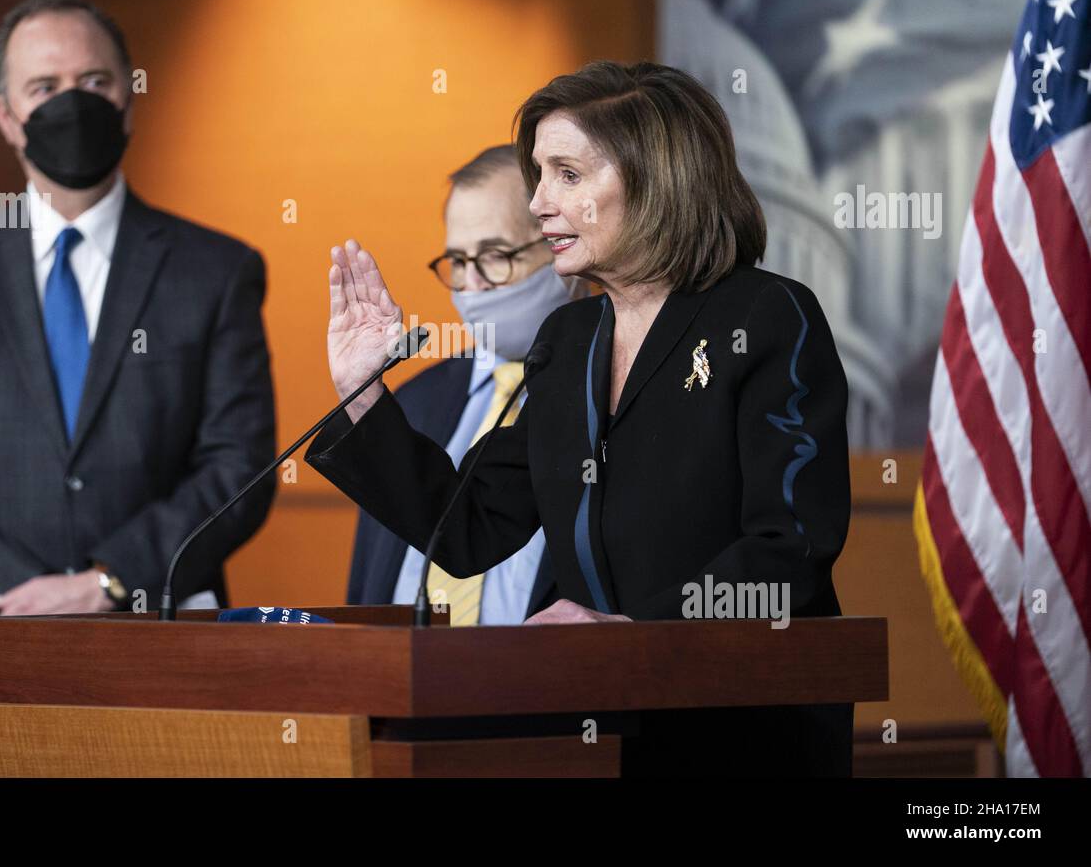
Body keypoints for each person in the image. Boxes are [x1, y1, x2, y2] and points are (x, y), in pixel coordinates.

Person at [306, 60, 854, 775]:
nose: (538, 203)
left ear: (656, 180)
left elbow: (791, 548)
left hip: (738, 734)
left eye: (567, 174)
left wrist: (639, 634)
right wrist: (363, 393)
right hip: (593, 733)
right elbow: (469, 526)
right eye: (539, 175)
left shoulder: (765, 316)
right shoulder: (569, 341)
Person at [0, 0, 276, 777]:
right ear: (4, 113)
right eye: (44, 89)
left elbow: (238, 467)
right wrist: (23, 592)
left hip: (159, 653)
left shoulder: (215, 272)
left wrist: (107, 582)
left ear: (129, 93)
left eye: (94, 81)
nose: (72, 104)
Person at [349, 145, 582, 624]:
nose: (472, 286)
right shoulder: (410, 404)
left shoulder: (608, 392)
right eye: (457, 261)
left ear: (559, 242)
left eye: (495, 256)